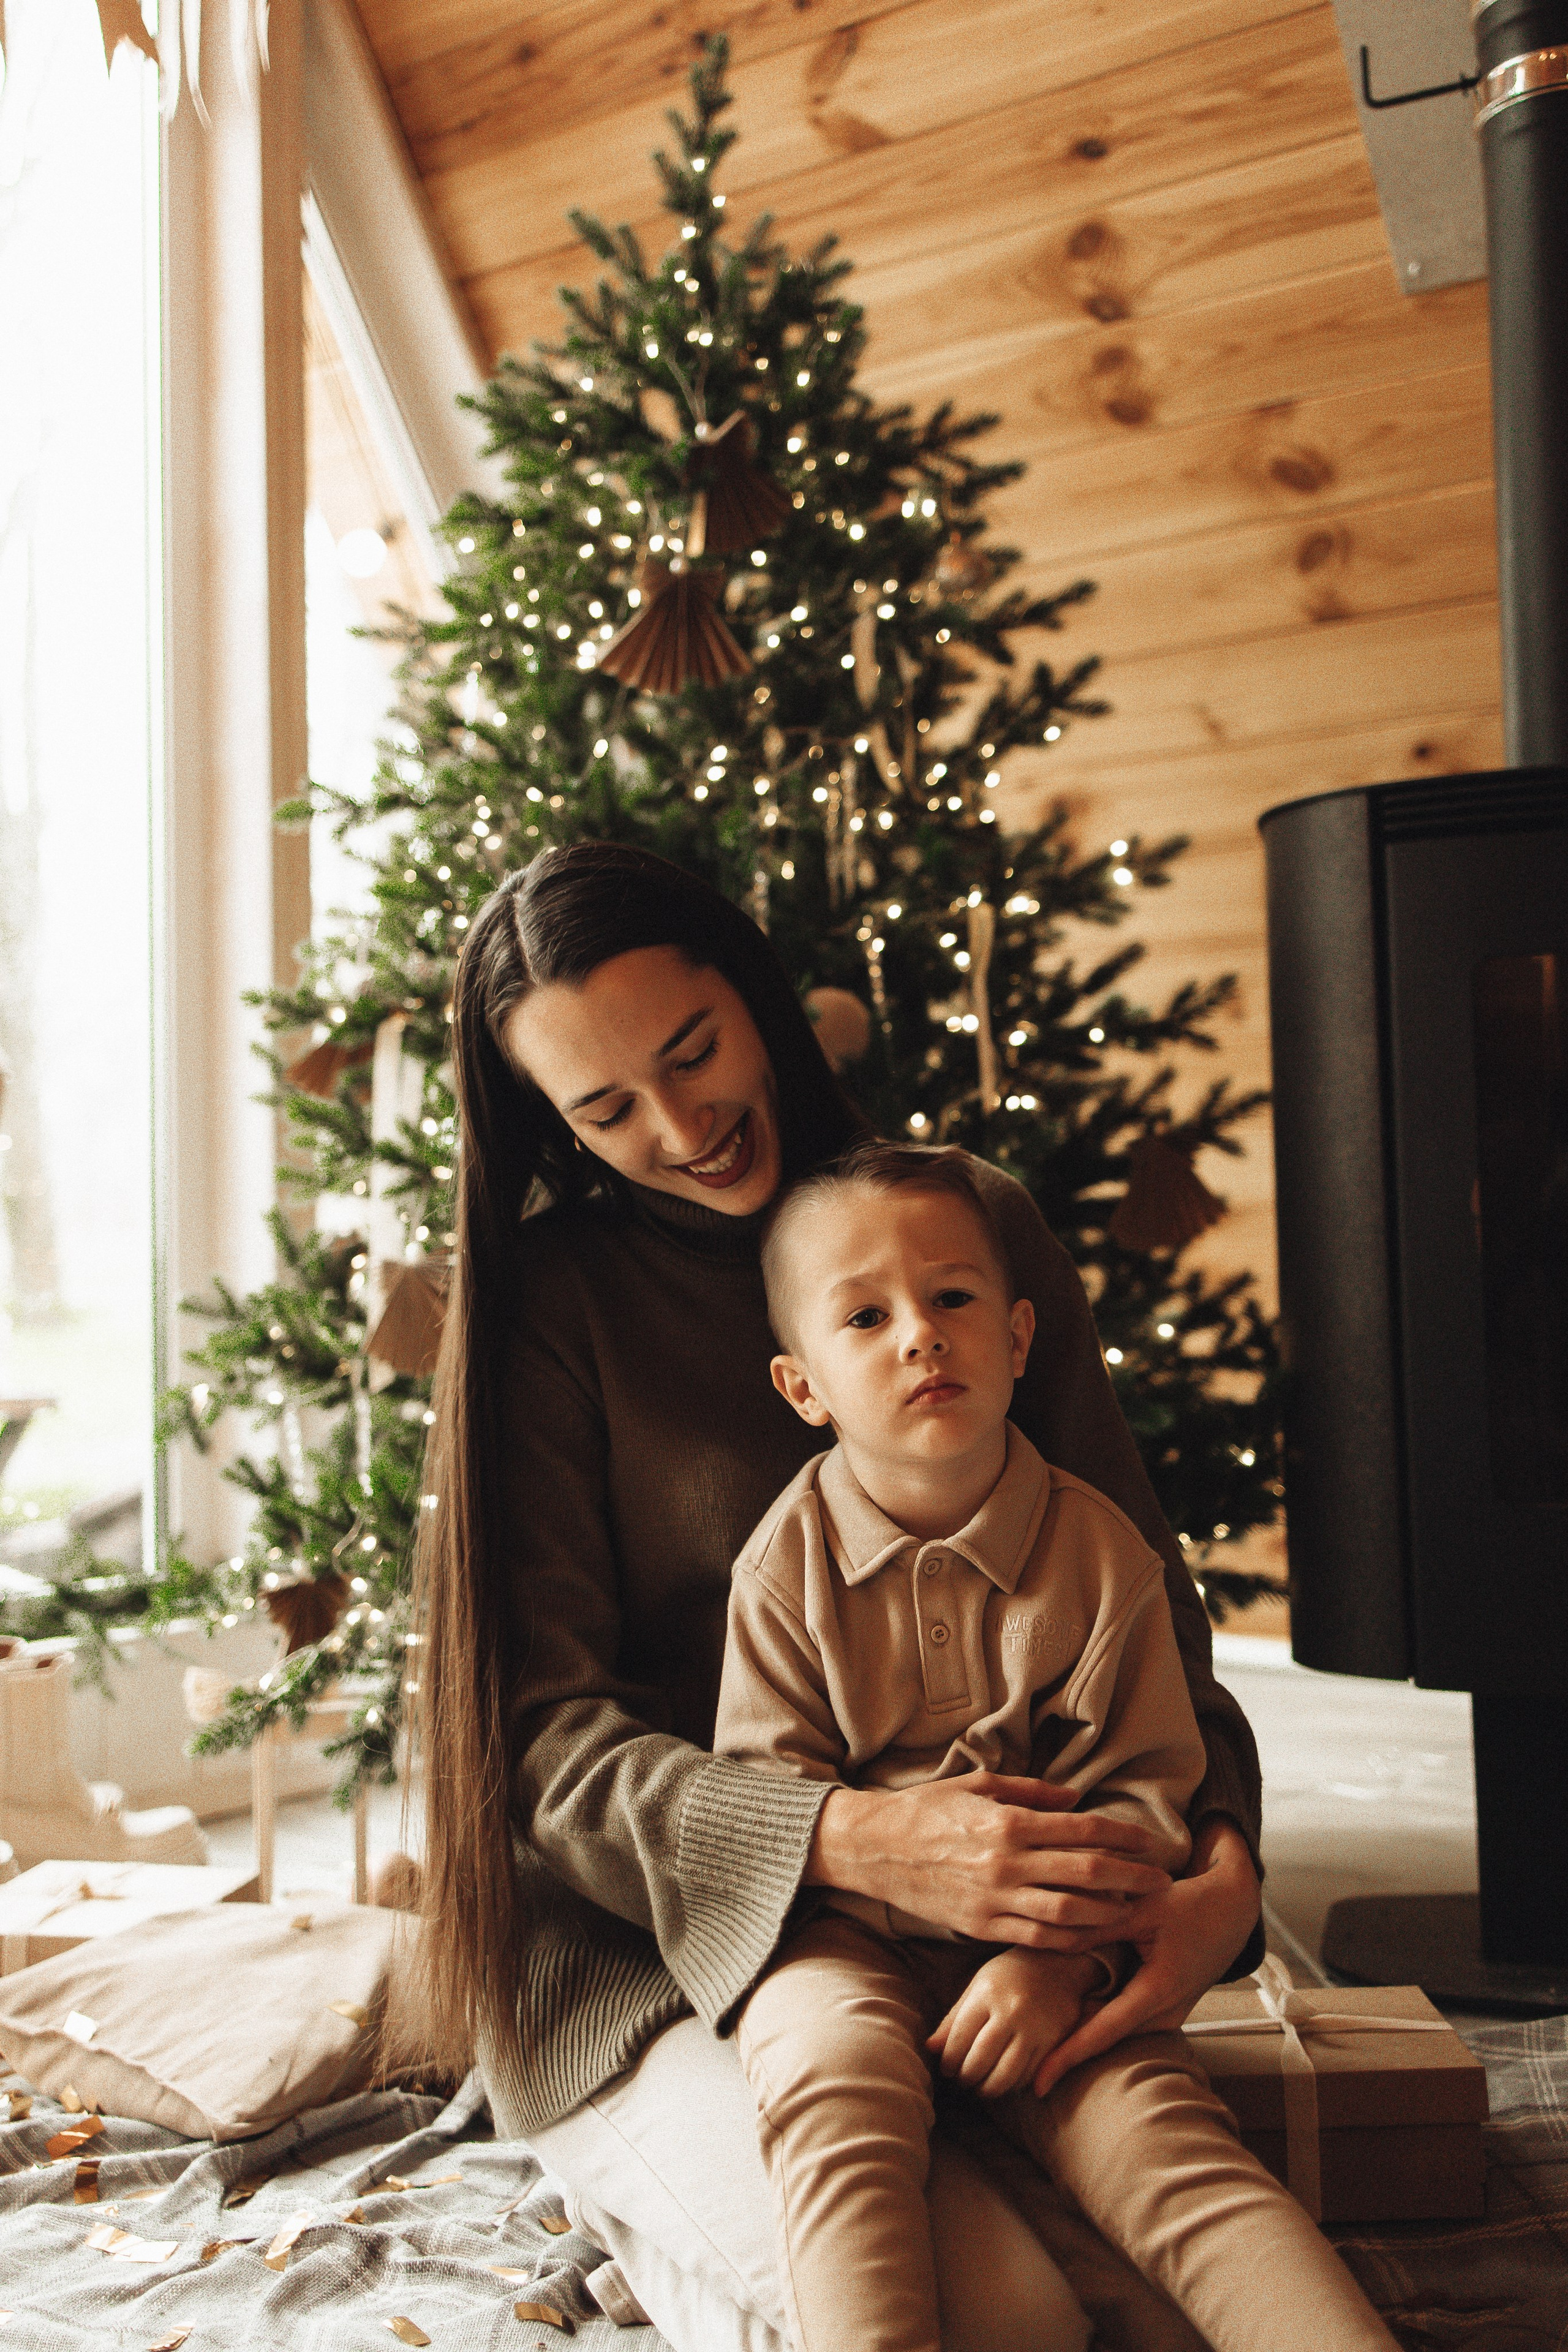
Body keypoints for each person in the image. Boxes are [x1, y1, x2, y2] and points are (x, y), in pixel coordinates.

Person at [417, 840, 1268, 2351]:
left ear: (754, 997)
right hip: (640, 1962)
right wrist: (858, 1838)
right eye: (604, 1108)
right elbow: (541, 1747)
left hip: (970, 1943)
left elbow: (1144, 1603)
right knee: (1006, 2322)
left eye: (693, 1054)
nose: (679, 1129)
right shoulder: (547, 1310)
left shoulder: (962, 1224)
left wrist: (1218, 1866)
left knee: (1180, 2289)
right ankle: (645, 2226)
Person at [717, 1141, 1397, 2352]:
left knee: (1166, 2149)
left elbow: (1145, 1798)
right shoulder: (782, 1569)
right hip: (845, 1945)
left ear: (1020, 1338)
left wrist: (1050, 1967)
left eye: (952, 1299)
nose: (919, 1334)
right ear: (801, 1386)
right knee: (824, 2087)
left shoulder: (1098, 1557)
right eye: (864, 1316)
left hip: (1064, 1951)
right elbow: (769, 1808)